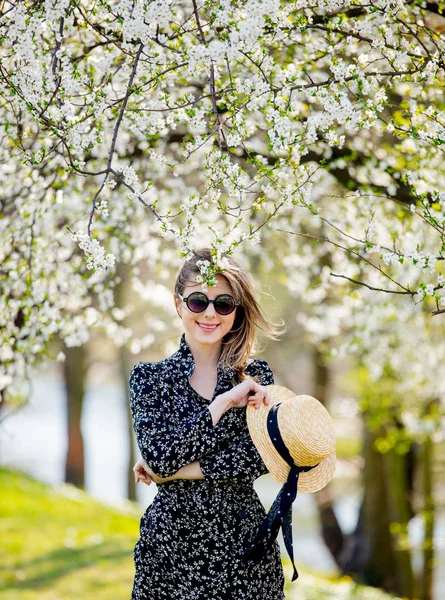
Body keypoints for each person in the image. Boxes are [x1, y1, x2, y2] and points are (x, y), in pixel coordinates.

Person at [129, 247, 286, 600]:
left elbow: (258, 458)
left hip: (243, 549)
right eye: (199, 301)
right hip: (171, 552)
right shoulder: (149, 378)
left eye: (224, 303)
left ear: (236, 310)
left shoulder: (256, 377)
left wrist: (174, 472)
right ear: (178, 303)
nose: (211, 313)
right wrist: (221, 403)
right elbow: (160, 457)